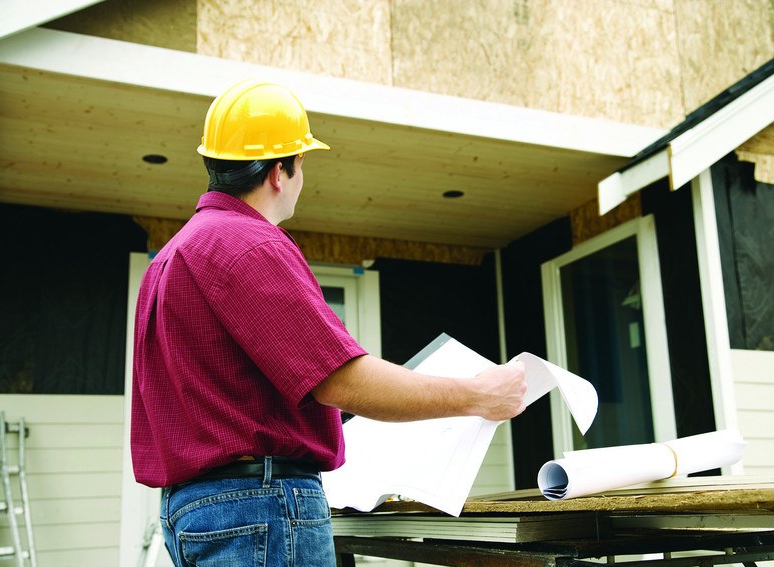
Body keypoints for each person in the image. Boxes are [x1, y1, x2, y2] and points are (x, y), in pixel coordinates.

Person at [131, 78, 527, 567]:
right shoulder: (250, 244)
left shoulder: (168, 260)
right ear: (280, 171)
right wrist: (477, 395)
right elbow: (339, 380)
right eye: (301, 164)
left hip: (191, 509)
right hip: (259, 506)